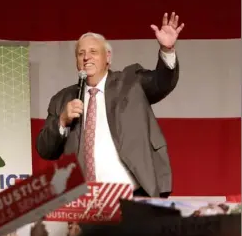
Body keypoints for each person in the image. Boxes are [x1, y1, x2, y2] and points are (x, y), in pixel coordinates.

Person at [36, 12, 184, 198]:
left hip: (134, 195)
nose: (86, 58)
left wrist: (167, 50)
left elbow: (162, 82)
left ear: (108, 57)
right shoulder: (62, 99)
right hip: (86, 200)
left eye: (93, 52)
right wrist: (62, 121)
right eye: (81, 53)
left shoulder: (130, 82)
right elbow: (45, 150)